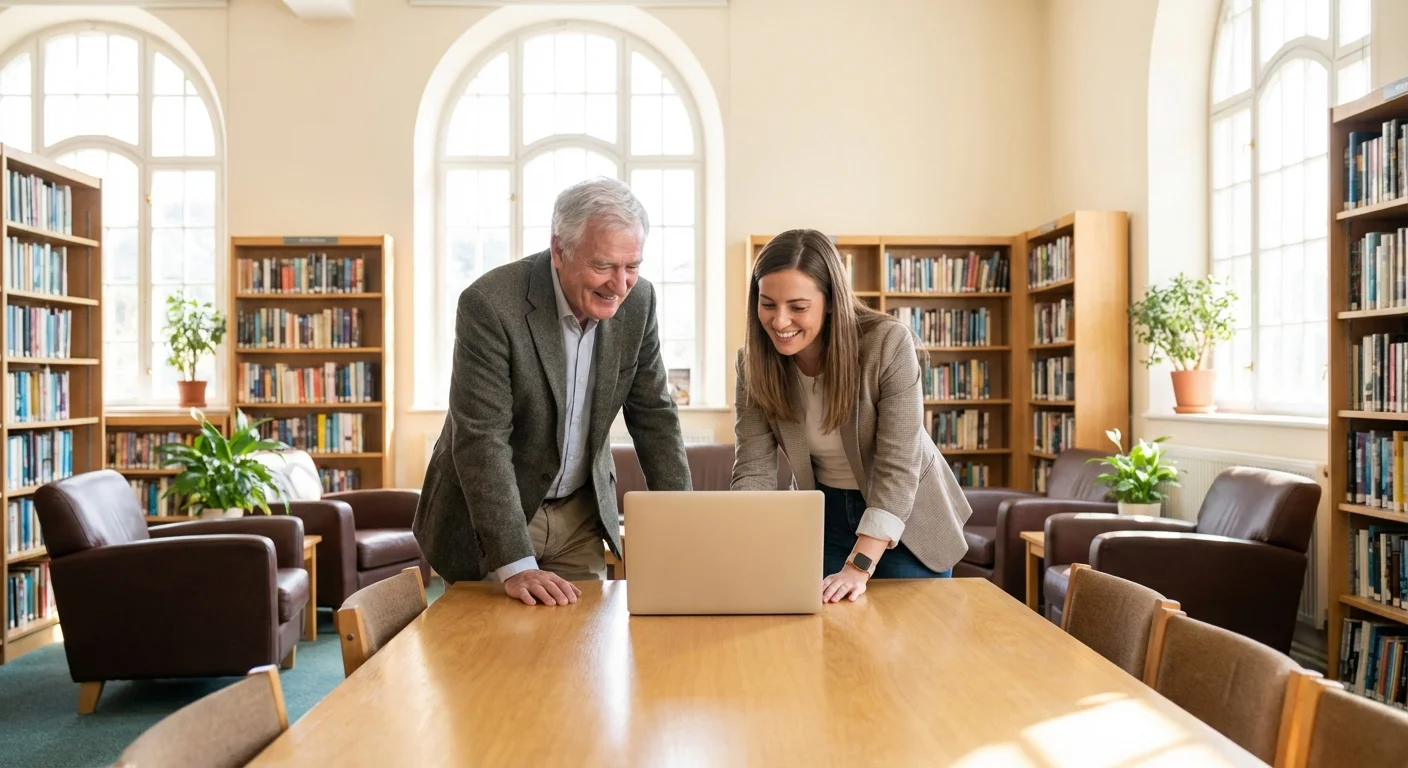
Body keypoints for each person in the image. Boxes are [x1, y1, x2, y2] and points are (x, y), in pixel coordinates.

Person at [415, 177, 692, 607]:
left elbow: (655, 415)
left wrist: (684, 526)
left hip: (579, 517)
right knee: (489, 659)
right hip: (495, 517)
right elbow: (482, 440)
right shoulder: (490, 304)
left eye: (632, 266)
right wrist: (515, 563)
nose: (619, 285)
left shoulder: (639, 303)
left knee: (583, 650)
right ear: (558, 250)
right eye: (603, 266)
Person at [731, 229, 972, 603]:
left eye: (797, 307)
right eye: (767, 304)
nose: (779, 322)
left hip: (906, 518)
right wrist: (741, 546)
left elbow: (898, 464)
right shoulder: (753, 364)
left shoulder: (886, 343)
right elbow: (753, 470)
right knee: (828, 644)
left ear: (830, 302)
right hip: (823, 516)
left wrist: (859, 566)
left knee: (915, 645)